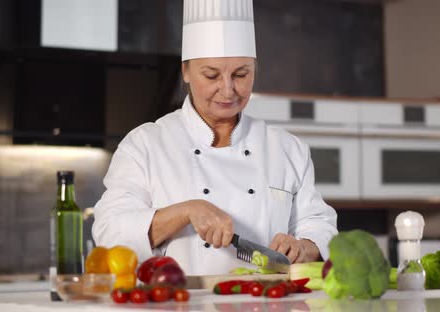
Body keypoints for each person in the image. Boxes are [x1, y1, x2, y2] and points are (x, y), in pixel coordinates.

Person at [93, 0, 338, 275]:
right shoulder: (145, 145)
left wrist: (305, 245)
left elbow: (319, 223)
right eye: (211, 75)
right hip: (179, 302)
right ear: (185, 71)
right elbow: (109, 232)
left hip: (267, 302)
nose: (228, 89)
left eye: (241, 74)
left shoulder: (286, 148)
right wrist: (186, 211)